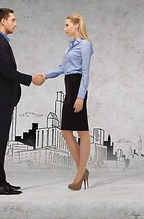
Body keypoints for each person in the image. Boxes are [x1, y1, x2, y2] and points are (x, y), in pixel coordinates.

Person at [0, 8, 44, 195]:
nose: (15, 23)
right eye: (13, 19)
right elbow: (7, 71)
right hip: (2, 98)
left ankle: (1, 181)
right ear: (3, 21)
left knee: (1, 140)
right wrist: (31, 79)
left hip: (4, 98)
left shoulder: (0, 42)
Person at [39, 14, 93, 191]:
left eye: (67, 25)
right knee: (65, 131)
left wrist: (80, 97)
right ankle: (82, 171)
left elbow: (85, 73)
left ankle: (79, 175)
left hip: (78, 87)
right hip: (69, 88)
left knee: (82, 131)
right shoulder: (70, 46)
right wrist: (45, 75)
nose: (65, 28)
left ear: (77, 25)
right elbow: (63, 68)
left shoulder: (85, 45)